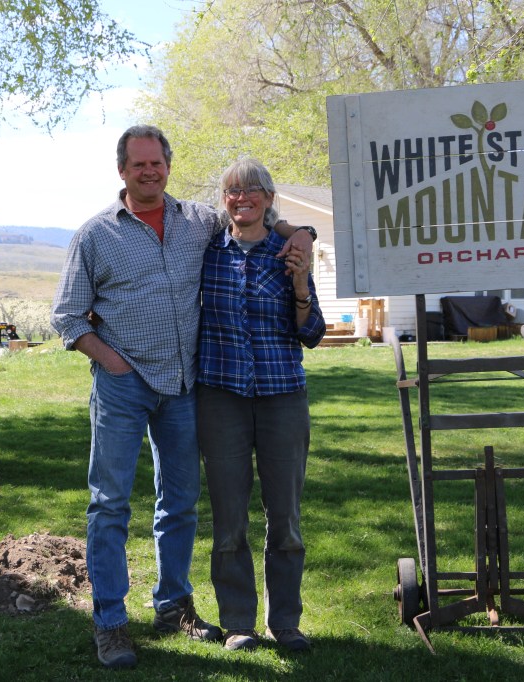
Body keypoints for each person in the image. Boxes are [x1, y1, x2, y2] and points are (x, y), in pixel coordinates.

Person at [51, 126, 313, 669]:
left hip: (185, 385)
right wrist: (112, 361)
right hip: (123, 385)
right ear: (121, 170)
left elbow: (255, 217)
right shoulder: (95, 234)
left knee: (180, 503)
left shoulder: (199, 222)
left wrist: (304, 231)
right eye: (138, 164)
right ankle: (111, 621)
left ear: (168, 166)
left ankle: (173, 605)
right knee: (110, 503)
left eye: (157, 162)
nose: (149, 171)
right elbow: (67, 317)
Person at [196, 158, 325, 653]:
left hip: (282, 398)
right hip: (221, 396)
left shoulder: (289, 251)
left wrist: (298, 285)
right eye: (232, 190)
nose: (241, 197)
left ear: (270, 198)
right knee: (229, 518)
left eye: (252, 190)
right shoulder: (208, 251)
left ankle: (285, 622)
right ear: (224, 200)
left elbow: (311, 335)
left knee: (285, 517)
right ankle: (238, 623)